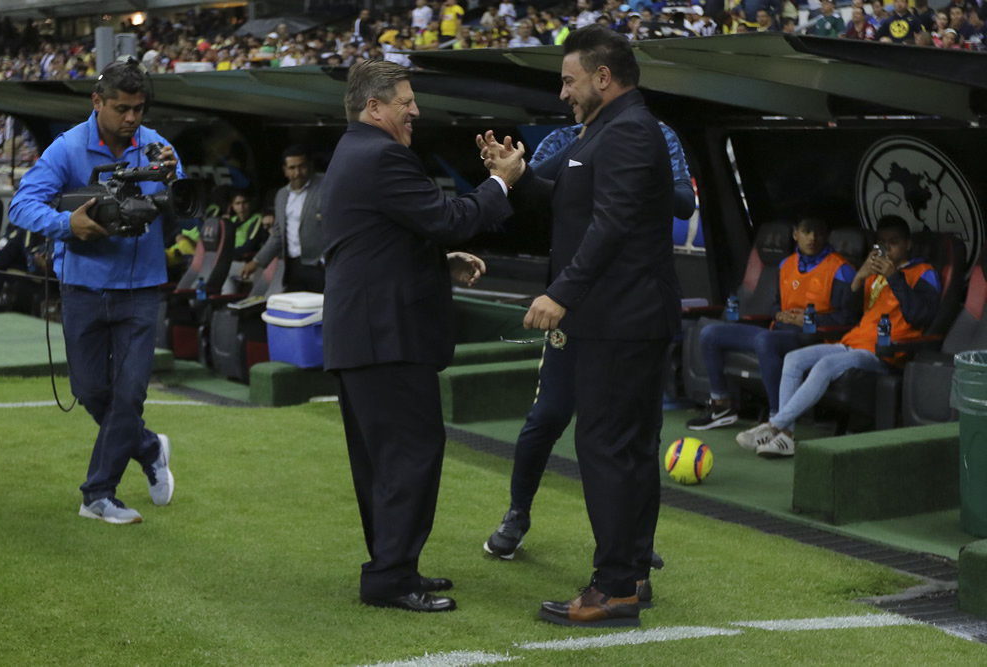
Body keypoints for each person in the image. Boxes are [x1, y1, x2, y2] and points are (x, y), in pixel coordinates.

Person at [480, 25, 680, 628]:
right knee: (629, 449)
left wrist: (561, 293)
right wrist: (518, 177)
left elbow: (612, 223)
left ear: (602, 77)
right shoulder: (601, 132)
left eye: (569, 81)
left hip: (620, 321)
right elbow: (569, 203)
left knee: (607, 449)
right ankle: (634, 574)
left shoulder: (631, 132)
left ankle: (614, 589)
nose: (563, 92)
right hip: (620, 318)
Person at [321, 60, 525, 614]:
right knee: (407, 457)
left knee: (386, 461)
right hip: (386, 338)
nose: (416, 110)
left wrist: (438, 261)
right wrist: (503, 180)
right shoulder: (382, 155)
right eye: (406, 101)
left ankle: (395, 567)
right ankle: (390, 577)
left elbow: (380, 237)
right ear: (373, 107)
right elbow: (448, 216)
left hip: (365, 335)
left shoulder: (351, 151)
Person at [8, 58, 180, 524]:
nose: (132, 118)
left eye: (139, 108)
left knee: (129, 396)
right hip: (82, 288)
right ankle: (148, 449)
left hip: (142, 291)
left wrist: (171, 175)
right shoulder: (66, 149)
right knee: (89, 392)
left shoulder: (159, 148)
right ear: (97, 102)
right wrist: (68, 224)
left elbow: (177, 203)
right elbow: (21, 207)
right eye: (122, 108)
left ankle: (98, 494)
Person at [737, 216, 940, 457]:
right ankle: (787, 437)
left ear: (907, 244)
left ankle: (774, 425)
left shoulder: (924, 272)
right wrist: (859, 277)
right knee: (794, 359)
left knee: (825, 364)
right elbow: (850, 311)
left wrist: (895, 277)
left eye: (893, 242)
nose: (886, 248)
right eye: (882, 243)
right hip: (853, 342)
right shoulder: (875, 275)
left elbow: (919, 315)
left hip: (886, 352)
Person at [686, 217, 859, 431]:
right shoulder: (786, 264)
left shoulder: (842, 269)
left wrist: (806, 319)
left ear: (827, 236)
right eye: (807, 231)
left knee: (764, 340)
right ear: (796, 234)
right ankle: (721, 406)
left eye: (818, 233)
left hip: (813, 338)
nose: (812, 238)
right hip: (779, 332)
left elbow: (848, 319)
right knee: (710, 333)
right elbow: (776, 304)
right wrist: (779, 314)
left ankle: (777, 419)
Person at [240, 145, 325, 292]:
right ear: (285, 170)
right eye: (292, 168)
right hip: (292, 267)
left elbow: (339, 226)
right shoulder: (281, 196)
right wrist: (256, 262)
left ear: (309, 165)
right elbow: (278, 236)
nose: (298, 173)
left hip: (320, 266)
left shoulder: (326, 186)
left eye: (302, 166)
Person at [230, 190, 266, 260]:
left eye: (245, 202)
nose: (241, 207)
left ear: (250, 204)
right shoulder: (232, 220)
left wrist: (227, 253)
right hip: (232, 257)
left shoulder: (257, 219)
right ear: (233, 206)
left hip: (248, 259)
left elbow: (249, 247)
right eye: (238, 203)